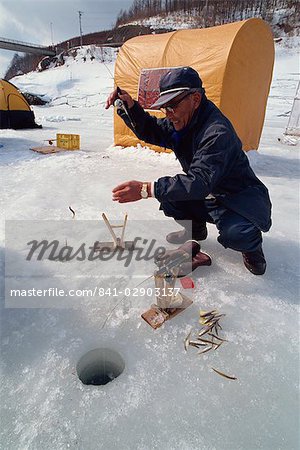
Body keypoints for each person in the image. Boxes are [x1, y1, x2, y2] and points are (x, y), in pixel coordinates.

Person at [105, 66, 272, 275]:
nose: (168, 114)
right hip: (206, 195)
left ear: (195, 99)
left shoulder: (217, 132)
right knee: (170, 196)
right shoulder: (184, 121)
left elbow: (199, 182)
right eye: (165, 107)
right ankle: (196, 230)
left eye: (172, 105)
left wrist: (146, 189)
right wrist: (129, 107)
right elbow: (153, 129)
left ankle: (252, 247)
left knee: (236, 233)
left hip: (236, 200)